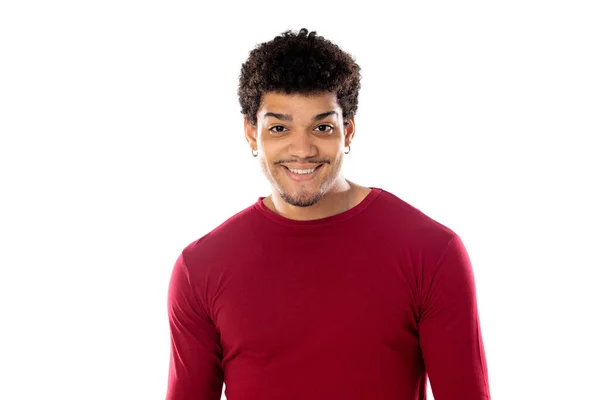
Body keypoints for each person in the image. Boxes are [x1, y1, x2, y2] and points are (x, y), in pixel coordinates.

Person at [165, 28, 490, 400]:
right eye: (279, 128)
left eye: (322, 127)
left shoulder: (431, 253)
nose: (302, 149)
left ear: (347, 132)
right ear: (252, 134)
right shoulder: (201, 268)